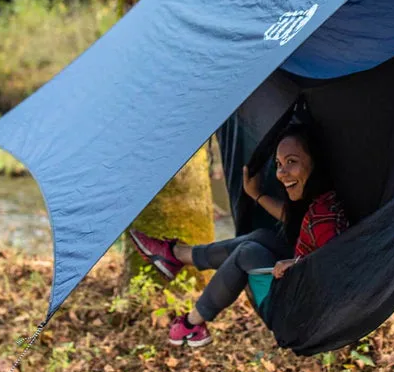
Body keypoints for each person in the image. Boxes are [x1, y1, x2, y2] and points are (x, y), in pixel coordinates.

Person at [129, 123, 349, 347]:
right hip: (299, 292)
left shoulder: (323, 218)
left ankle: (191, 323)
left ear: (314, 161)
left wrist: (296, 263)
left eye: (292, 161)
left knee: (248, 253)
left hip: (300, 316)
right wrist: (257, 194)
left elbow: (332, 269)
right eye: (278, 164)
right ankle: (176, 256)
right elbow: (297, 221)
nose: (281, 173)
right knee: (262, 236)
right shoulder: (324, 200)